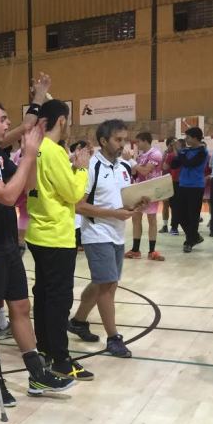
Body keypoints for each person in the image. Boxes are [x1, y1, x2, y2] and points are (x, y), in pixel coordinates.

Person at [0, 100, 75, 406]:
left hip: (9, 245)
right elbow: (8, 195)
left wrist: (34, 153)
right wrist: (27, 154)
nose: (8, 125)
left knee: (22, 308)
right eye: (3, 119)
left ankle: (36, 373)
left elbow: (30, 186)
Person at [26, 99, 93, 380]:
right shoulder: (52, 151)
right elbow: (73, 194)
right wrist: (82, 169)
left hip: (38, 231)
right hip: (56, 235)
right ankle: (61, 360)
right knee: (58, 300)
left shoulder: (35, 148)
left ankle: (45, 348)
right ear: (62, 121)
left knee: (43, 295)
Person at [71, 119, 145, 358]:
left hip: (117, 234)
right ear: (103, 141)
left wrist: (137, 204)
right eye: (118, 140)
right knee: (108, 286)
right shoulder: (91, 167)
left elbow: (121, 201)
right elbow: (79, 206)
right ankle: (113, 338)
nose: (123, 144)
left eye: (125, 139)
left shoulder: (123, 167)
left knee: (101, 282)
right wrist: (115, 214)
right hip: (96, 234)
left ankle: (78, 321)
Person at [125, 132, 165, 261]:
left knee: (151, 220)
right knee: (136, 219)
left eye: (138, 142)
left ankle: (152, 251)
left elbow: (145, 171)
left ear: (145, 141)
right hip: (140, 190)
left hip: (151, 190)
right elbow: (137, 173)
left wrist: (130, 160)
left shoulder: (156, 154)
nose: (137, 144)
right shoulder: (141, 156)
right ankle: (136, 250)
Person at [171, 127, 208, 252]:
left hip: (196, 187)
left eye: (188, 137)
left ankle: (189, 241)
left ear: (195, 138)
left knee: (193, 215)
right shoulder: (185, 151)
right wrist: (177, 153)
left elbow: (189, 164)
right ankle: (195, 236)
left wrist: (179, 151)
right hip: (183, 185)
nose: (186, 139)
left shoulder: (203, 152)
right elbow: (174, 164)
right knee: (179, 214)